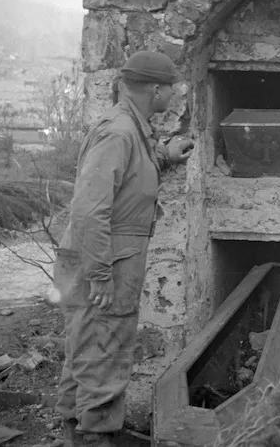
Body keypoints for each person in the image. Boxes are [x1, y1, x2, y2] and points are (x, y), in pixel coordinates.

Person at [52, 50, 194, 446]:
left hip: (101, 258)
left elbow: (126, 181)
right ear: (154, 89)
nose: (174, 94)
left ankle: (74, 434)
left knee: (85, 350)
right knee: (105, 353)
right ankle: (94, 437)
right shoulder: (119, 132)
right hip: (100, 263)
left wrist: (164, 157)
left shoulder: (132, 126)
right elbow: (90, 208)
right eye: (171, 87)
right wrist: (100, 274)